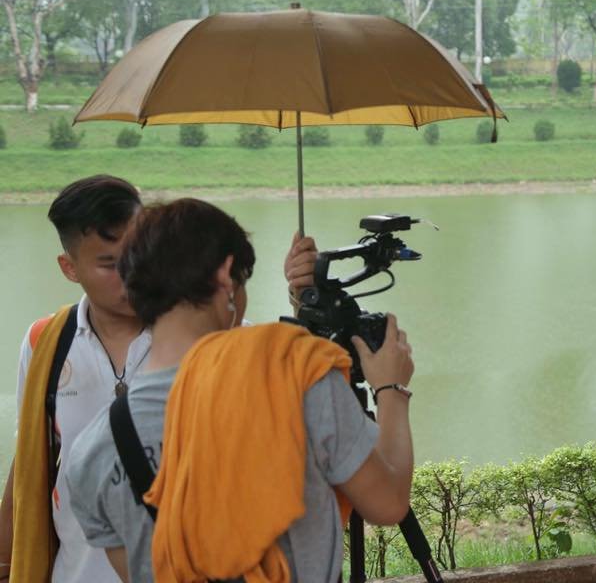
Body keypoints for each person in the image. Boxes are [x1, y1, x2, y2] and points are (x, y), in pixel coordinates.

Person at [65, 199, 415, 583]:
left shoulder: (92, 453)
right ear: (227, 276)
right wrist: (390, 388)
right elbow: (389, 503)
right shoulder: (299, 380)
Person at [0, 175, 148, 583]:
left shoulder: (194, 331)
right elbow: (33, 457)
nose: (133, 274)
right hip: (77, 572)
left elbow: (277, 362)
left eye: (140, 253)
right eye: (110, 264)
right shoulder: (45, 341)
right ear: (70, 268)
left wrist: (303, 295)